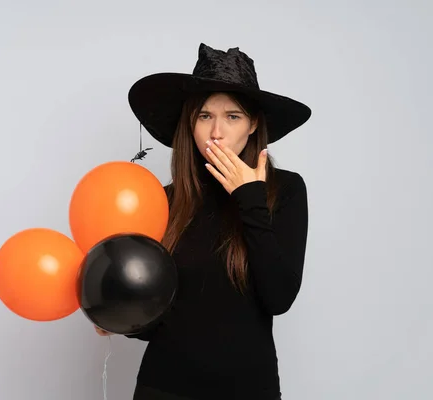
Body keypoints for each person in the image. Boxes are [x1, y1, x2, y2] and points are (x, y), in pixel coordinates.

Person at [96, 43, 311, 400]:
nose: (216, 132)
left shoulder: (284, 190)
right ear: (190, 124)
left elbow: (279, 297)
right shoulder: (163, 201)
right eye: (204, 116)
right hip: (163, 387)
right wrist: (119, 315)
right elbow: (160, 320)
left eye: (233, 116)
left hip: (247, 390)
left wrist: (250, 200)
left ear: (253, 123)